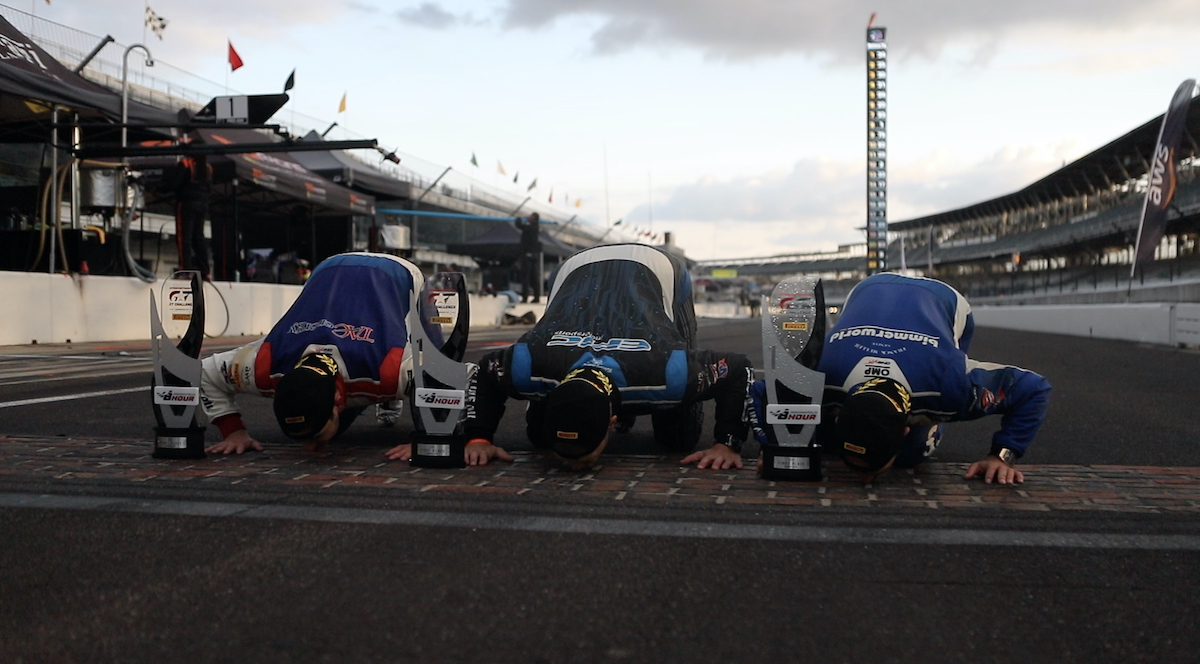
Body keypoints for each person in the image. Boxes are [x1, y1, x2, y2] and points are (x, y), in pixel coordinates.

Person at [449, 243, 754, 470]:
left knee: (678, 438)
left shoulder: (666, 371)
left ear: (611, 421)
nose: (573, 469)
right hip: (578, 270)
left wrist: (727, 444)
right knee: (539, 437)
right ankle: (545, 416)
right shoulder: (529, 363)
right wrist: (479, 439)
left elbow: (737, 369)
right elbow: (486, 370)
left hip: (652, 266)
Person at [764, 272, 1051, 485]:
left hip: (943, 299)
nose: (866, 482)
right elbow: (763, 391)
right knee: (807, 425)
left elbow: (1033, 388)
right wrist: (776, 445)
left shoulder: (950, 386)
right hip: (868, 289)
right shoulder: (821, 377)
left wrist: (1001, 456)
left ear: (905, 429)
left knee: (912, 454)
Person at [200, 252, 444, 457]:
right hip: (330, 271)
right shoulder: (264, 364)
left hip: (396, 272)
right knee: (388, 384)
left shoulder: (388, 368)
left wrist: (429, 437)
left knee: (439, 355)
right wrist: (233, 431)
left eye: (314, 434)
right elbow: (206, 374)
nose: (308, 447)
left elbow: (452, 376)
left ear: (339, 401)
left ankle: (391, 396)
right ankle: (388, 394)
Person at [170, 154, 212, 279]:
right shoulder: (208, 168)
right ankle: (205, 271)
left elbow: (174, 184)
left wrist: (159, 188)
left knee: (184, 237)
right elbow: (209, 188)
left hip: (186, 203)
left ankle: (185, 270)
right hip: (202, 204)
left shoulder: (185, 164)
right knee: (198, 237)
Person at [514, 212, 541, 302]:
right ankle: (536, 297)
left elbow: (519, 225)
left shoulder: (530, 227)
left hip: (527, 254)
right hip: (533, 255)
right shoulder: (535, 227)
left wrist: (518, 219)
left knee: (525, 276)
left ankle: (525, 297)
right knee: (534, 276)